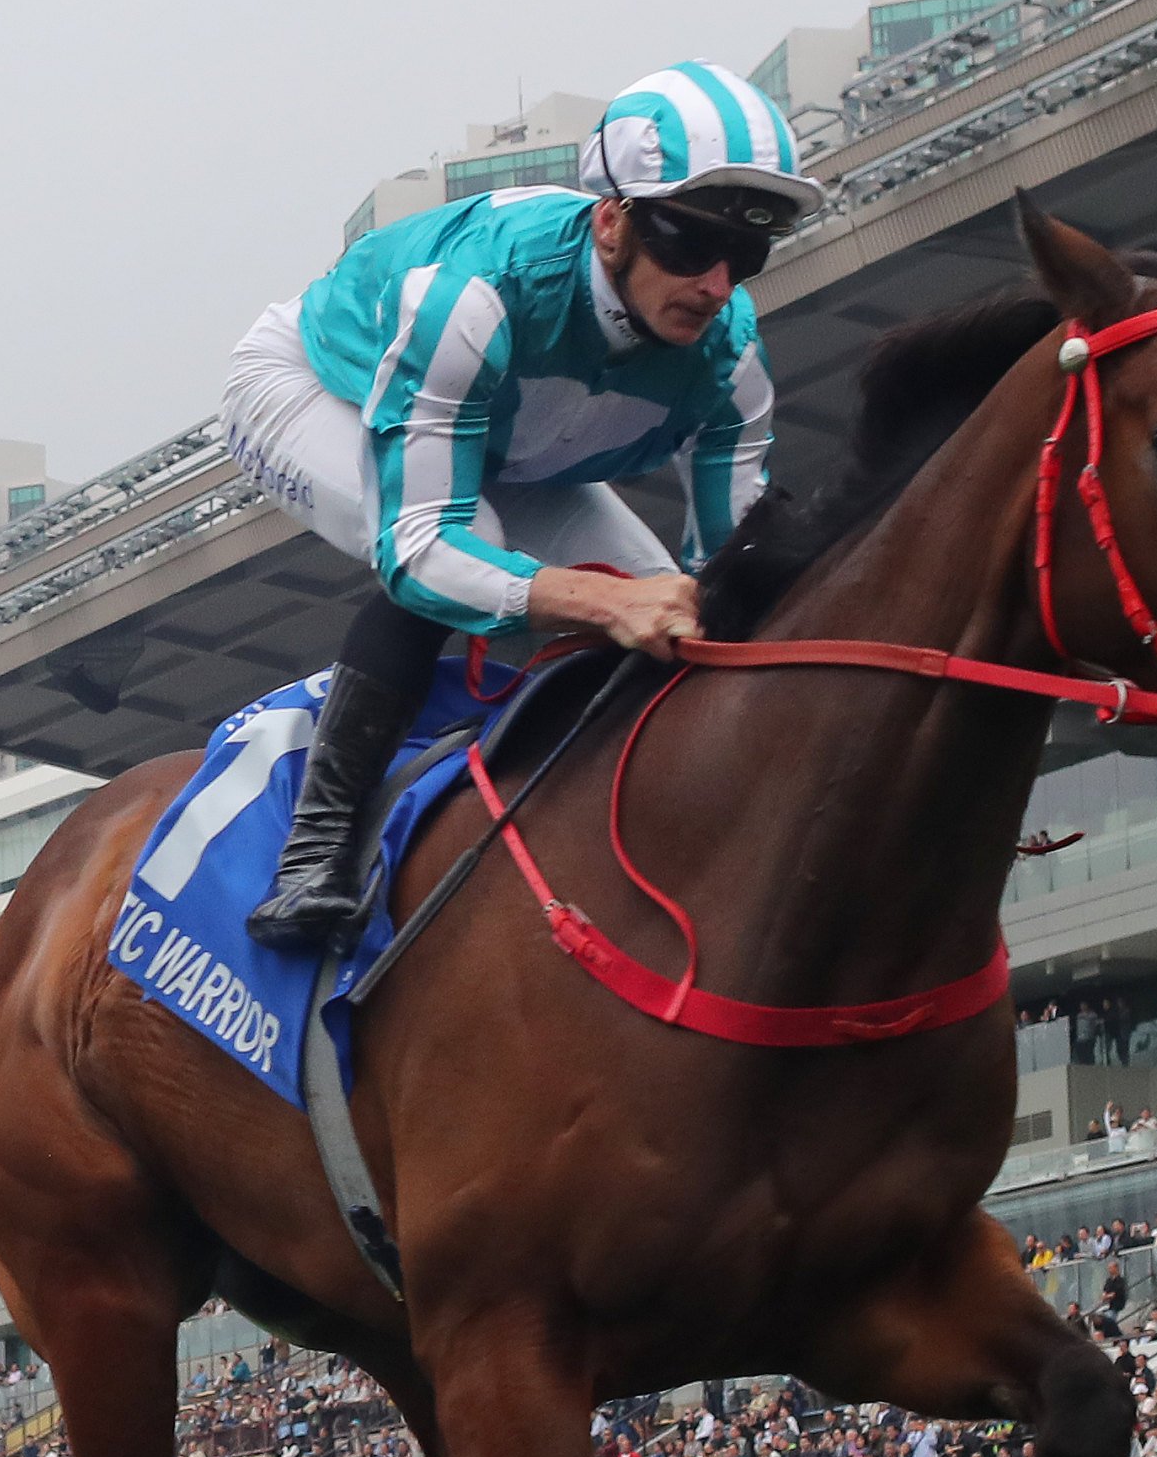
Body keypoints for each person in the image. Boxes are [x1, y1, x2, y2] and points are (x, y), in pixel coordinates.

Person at [222, 63, 818, 945]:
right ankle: (314, 853)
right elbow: (421, 548)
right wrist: (605, 600)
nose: (715, 285)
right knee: (478, 552)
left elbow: (727, 578)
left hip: (504, 435)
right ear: (611, 220)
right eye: (690, 247)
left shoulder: (732, 361)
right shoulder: (473, 295)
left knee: (672, 612)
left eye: (745, 257)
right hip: (315, 385)